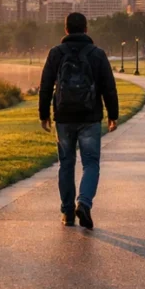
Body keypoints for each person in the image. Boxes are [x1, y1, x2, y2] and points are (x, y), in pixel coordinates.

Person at [39, 12, 119, 229]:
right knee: (90, 163)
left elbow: (46, 85)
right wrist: (113, 115)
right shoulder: (97, 54)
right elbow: (108, 87)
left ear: (66, 30)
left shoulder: (56, 53)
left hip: (63, 118)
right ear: (86, 29)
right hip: (90, 117)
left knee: (66, 164)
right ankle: (83, 203)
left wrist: (44, 115)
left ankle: (67, 213)